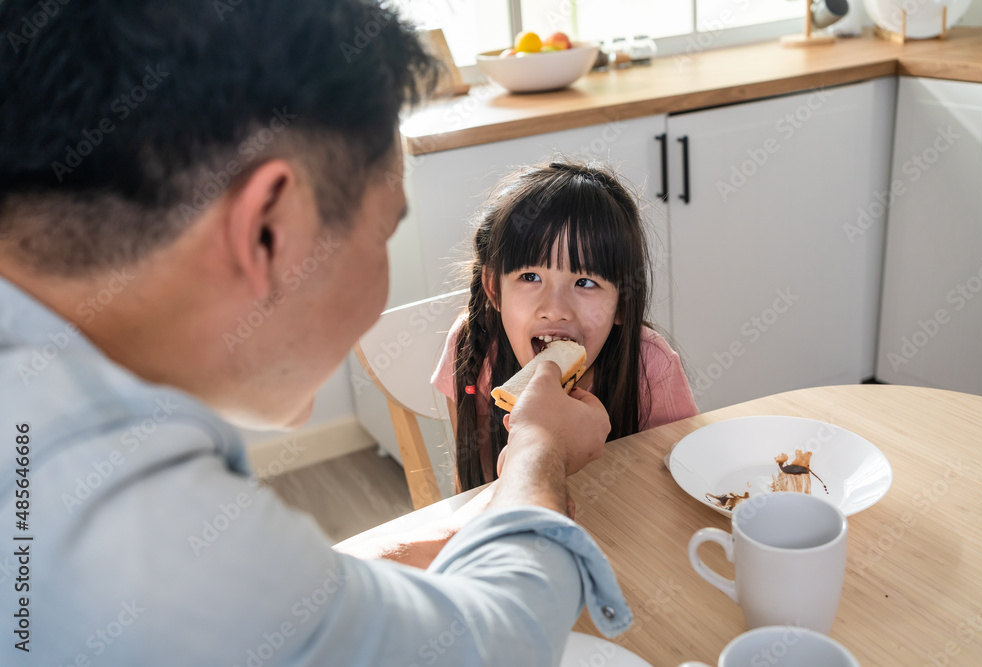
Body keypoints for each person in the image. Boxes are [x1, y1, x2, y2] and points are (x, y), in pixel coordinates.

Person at [0, 1, 632, 664]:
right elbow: (492, 646)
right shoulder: (134, 529)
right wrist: (537, 450)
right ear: (270, 229)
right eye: (385, 231)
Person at [432, 161, 699, 492]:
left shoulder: (651, 366)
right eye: (530, 277)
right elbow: (473, 489)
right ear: (494, 290)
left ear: (623, 303)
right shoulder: (474, 347)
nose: (555, 309)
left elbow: (683, 484)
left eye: (585, 282)